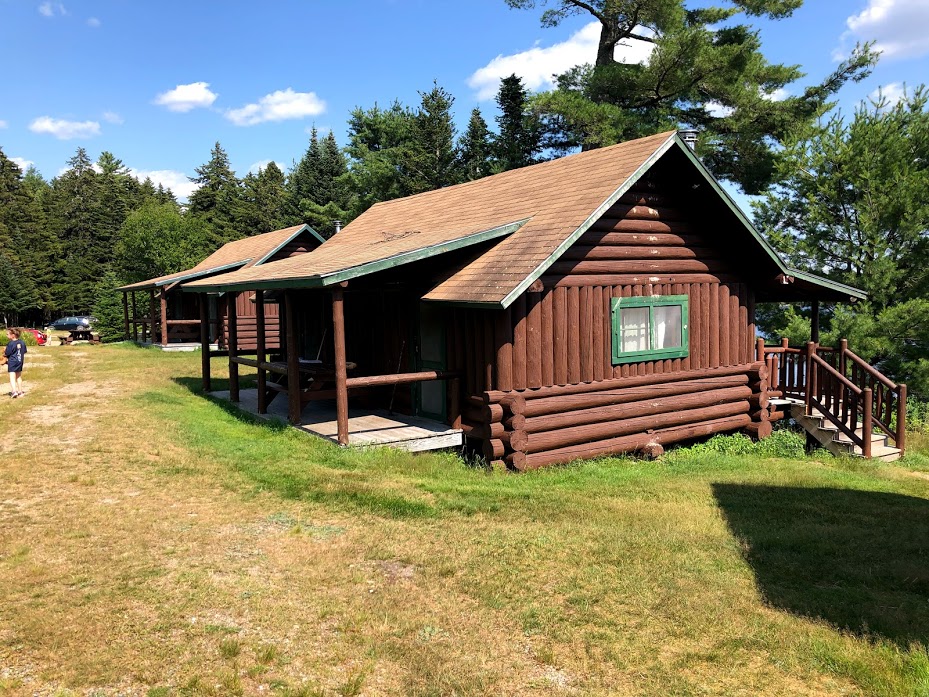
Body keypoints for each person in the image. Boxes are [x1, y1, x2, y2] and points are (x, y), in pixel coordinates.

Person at [4, 327, 27, 398]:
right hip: (20, 361)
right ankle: (20, 391)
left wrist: (5, 351)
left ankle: (14, 391)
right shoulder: (22, 342)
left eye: (7, 334)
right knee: (19, 377)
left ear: (13, 335)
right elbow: (24, 351)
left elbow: (7, 353)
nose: (6, 335)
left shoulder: (10, 344)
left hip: (12, 362)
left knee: (12, 377)